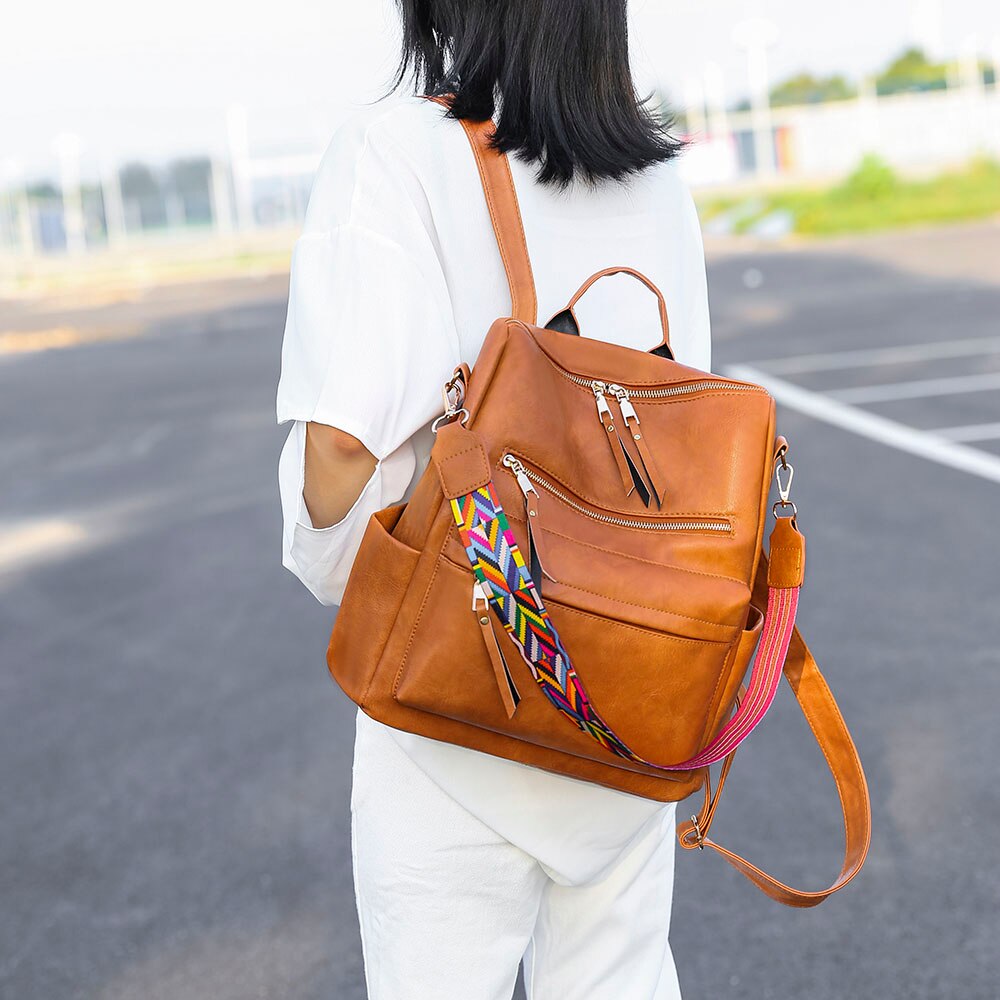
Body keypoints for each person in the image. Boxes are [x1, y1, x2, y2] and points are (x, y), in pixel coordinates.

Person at [276, 3, 711, 997]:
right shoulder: (654, 171)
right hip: (627, 691)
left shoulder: (391, 150)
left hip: (460, 686)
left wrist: (334, 572)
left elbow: (342, 444)